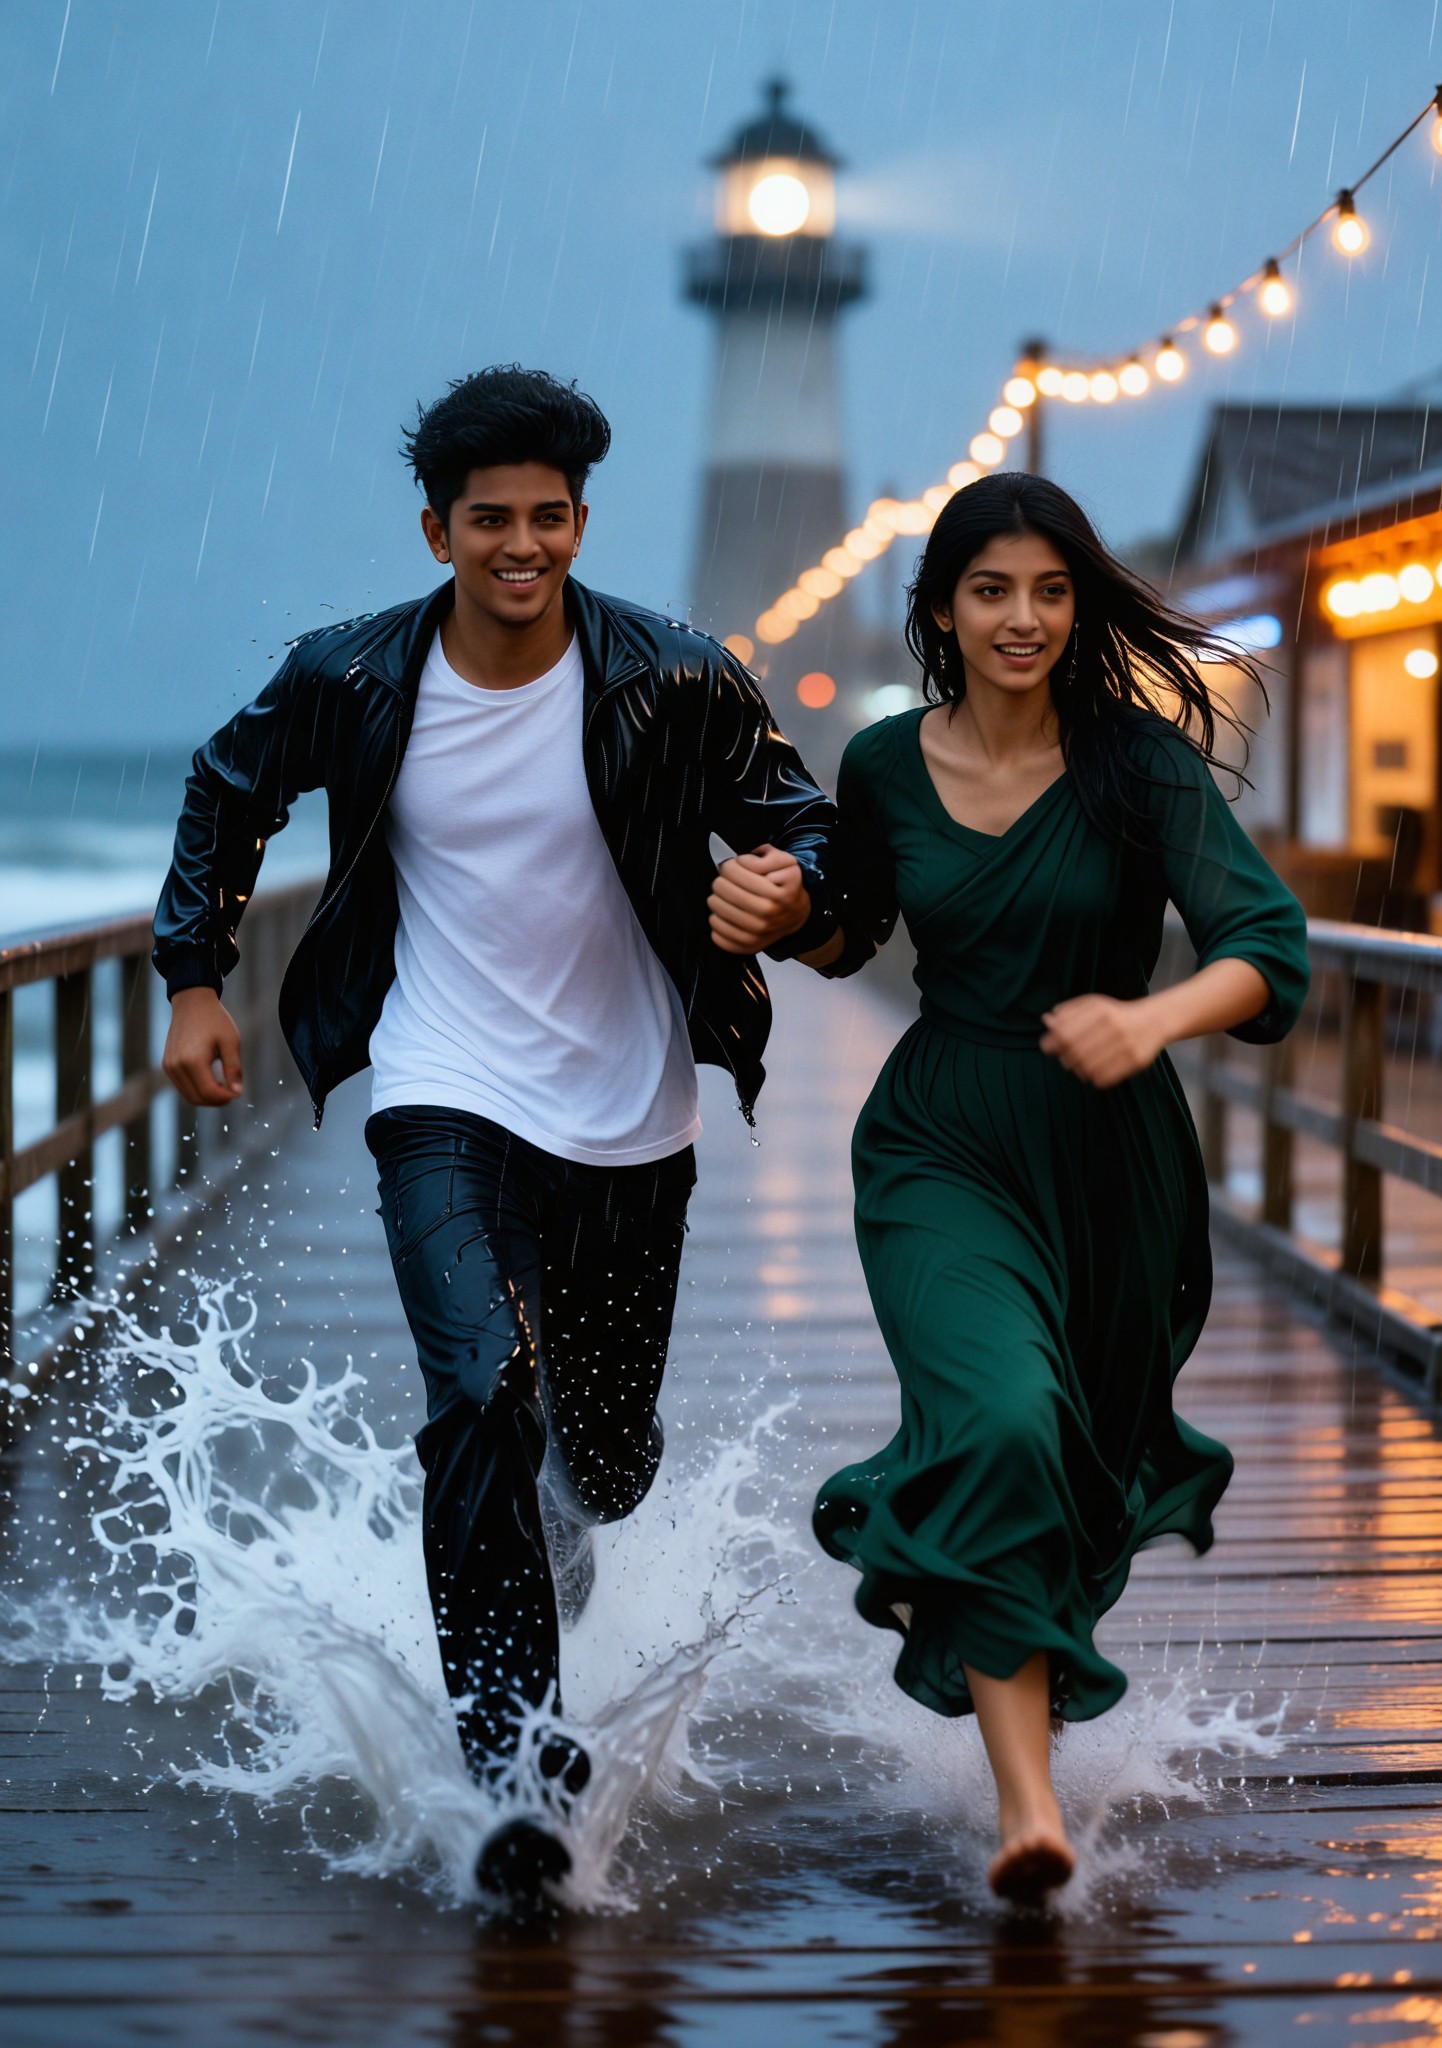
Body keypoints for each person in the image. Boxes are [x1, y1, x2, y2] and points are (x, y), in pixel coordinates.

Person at [153, 364, 838, 1905]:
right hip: (440, 1093)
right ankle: (519, 1764)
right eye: (489, 521)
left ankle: (562, 1522)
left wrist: (791, 884)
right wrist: (195, 979)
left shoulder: (676, 676)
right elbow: (227, 788)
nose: (520, 546)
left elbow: (805, 823)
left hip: (633, 1120)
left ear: (582, 522)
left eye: (548, 518)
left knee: (604, 1459)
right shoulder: (354, 674)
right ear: (437, 530)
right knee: (481, 1393)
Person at [715, 473, 1310, 1903]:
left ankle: (1022, 1720)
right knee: (999, 1421)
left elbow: (1267, 947)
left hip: (1111, 1166)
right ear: (940, 609)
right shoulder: (882, 764)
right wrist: (786, 914)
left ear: (1082, 607)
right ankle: (1027, 1810)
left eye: (1051, 591)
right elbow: (852, 933)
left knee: (1063, 1458)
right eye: (991, 591)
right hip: (942, 1143)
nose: (1024, 618)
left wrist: (1152, 1018)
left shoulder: (1140, 765)